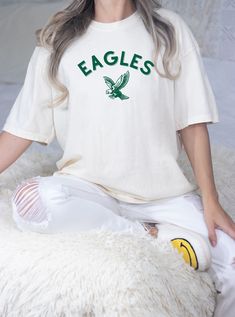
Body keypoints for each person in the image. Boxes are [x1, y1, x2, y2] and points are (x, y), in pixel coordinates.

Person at [0, 0, 234, 315]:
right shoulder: (59, 40)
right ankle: (153, 236)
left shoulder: (170, 29)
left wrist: (211, 199)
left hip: (163, 197)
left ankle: (156, 225)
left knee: (232, 258)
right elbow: (20, 130)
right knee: (30, 201)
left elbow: (192, 121)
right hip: (89, 190)